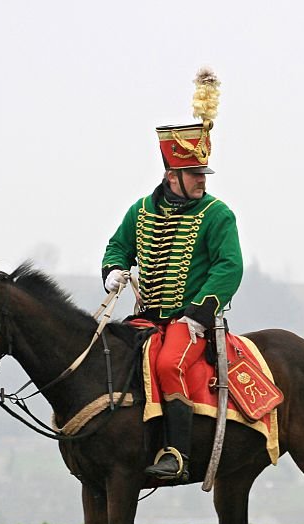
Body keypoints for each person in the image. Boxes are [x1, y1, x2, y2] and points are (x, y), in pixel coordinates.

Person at [101, 117, 243, 481]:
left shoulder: (217, 215)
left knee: (168, 365)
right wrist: (114, 270)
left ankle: (176, 454)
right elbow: (118, 246)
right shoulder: (141, 211)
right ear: (171, 176)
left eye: (202, 172)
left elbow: (229, 267)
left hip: (190, 319)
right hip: (145, 317)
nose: (202, 179)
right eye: (194, 172)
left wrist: (199, 312)